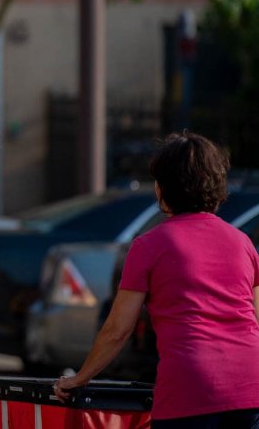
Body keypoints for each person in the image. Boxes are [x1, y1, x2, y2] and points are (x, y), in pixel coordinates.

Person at [53, 131, 259, 428]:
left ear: (163, 188)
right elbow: (254, 318)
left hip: (191, 388)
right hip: (251, 385)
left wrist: (80, 378)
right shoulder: (243, 243)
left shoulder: (149, 246)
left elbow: (117, 331)